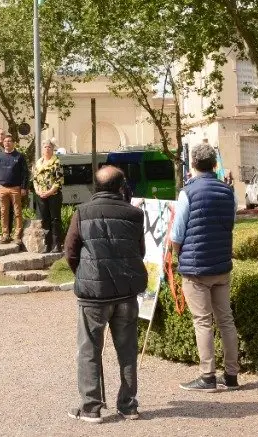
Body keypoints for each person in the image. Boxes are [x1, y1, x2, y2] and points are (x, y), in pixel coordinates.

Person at [64, 165, 147, 423]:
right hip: (126, 291)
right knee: (127, 350)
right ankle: (128, 405)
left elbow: (70, 251)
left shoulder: (82, 212)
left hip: (94, 293)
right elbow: (140, 251)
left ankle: (91, 407)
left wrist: (84, 273)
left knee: (89, 349)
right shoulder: (135, 214)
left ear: (95, 187)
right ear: (121, 187)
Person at [172, 142, 240, 393]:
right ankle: (231, 375)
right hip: (221, 265)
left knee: (202, 321)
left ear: (192, 164)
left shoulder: (187, 192)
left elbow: (177, 234)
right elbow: (231, 223)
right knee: (226, 320)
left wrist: (178, 255)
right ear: (214, 164)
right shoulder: (228, 191)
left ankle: (207, 376)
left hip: (196, 268)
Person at [0, 134, 29, 243]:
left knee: (17, 212)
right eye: (5, 141)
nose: (7, 143)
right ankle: (5, 235)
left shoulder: (19, 156)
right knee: (3, 212)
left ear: (13, 143)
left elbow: (25, 173)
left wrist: (23, 187)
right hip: (2, 188)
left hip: (16, 189)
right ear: (3, 143)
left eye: (9, 141)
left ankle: (17, 235)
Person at [33, 139, 65, 253]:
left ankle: (57, 245)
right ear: (42, 150)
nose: (47, 149)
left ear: (52, 150)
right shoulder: (38, 163)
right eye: (45, 147)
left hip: (54, 195)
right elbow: (35, 179)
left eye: (49, 147)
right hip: (41, 196)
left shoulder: (56, 162)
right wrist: (37, 191)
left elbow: (59, 181)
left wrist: (49, 192)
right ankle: (47, 244)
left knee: (55, 220)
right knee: (44, 220)